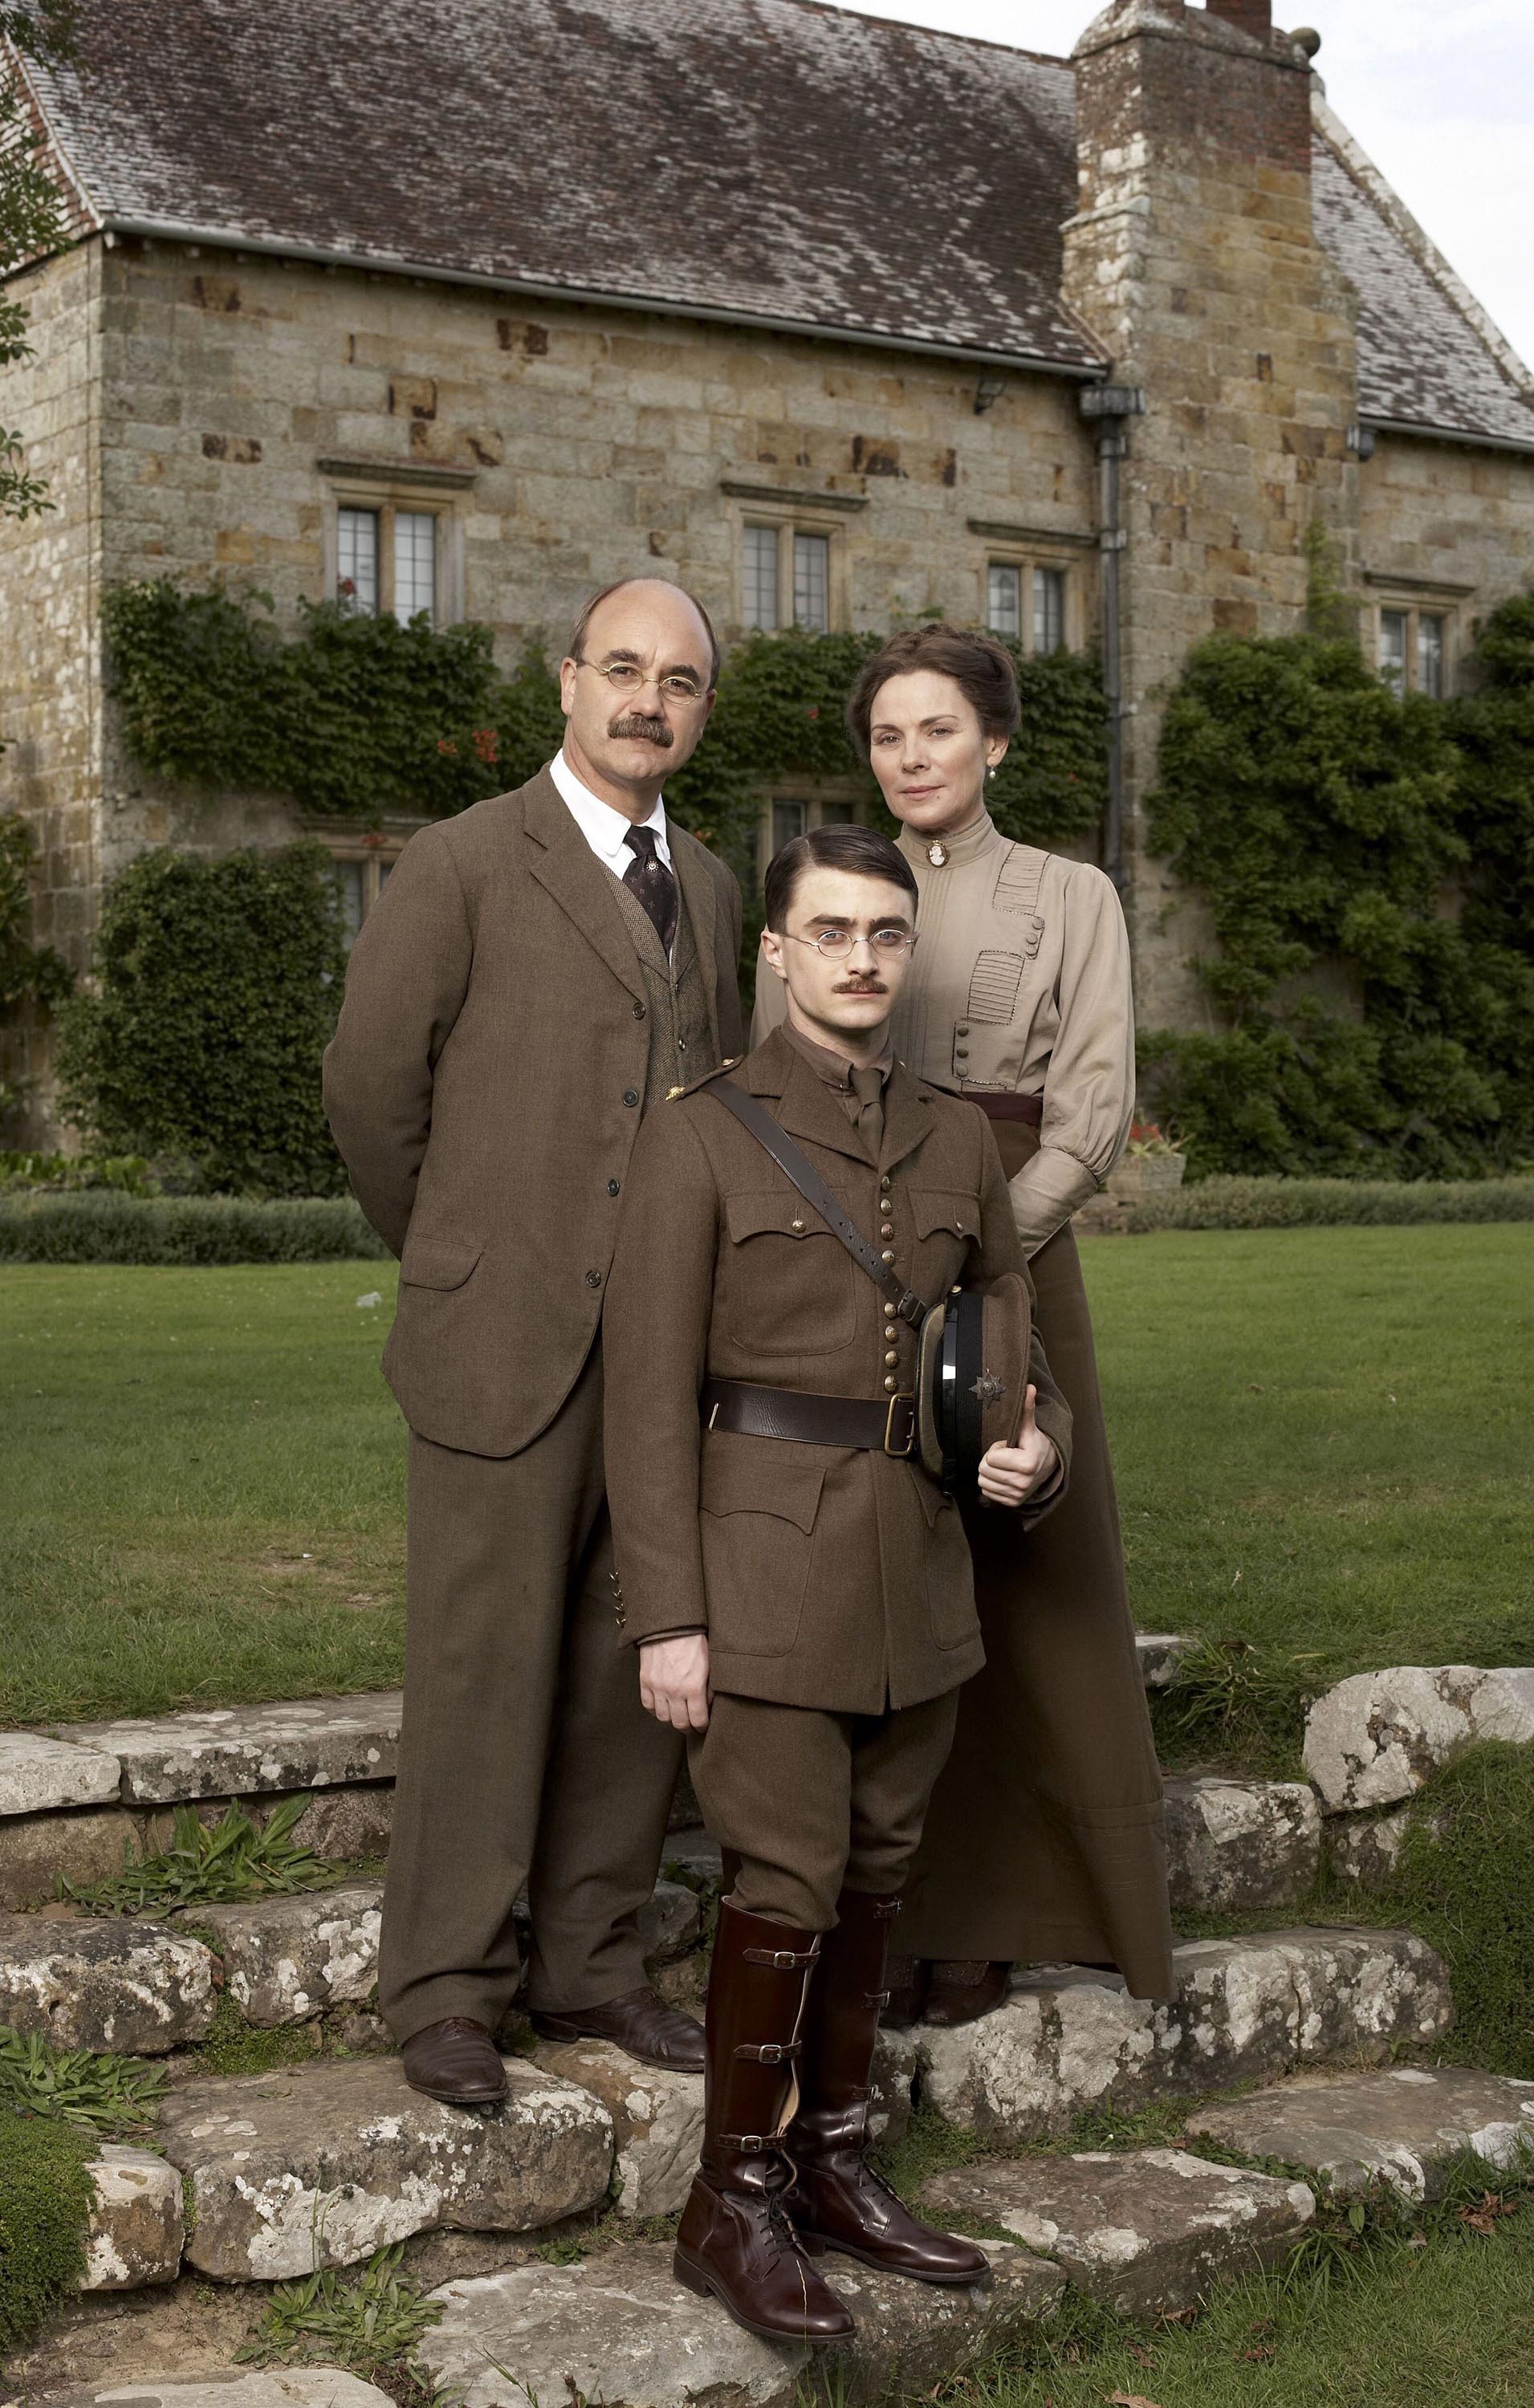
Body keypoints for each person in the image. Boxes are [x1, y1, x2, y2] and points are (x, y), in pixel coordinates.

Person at [602, 823, 1072, 2343]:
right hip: (759, 1571)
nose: (860, 959)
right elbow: (644, 1399)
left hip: (915, 1569)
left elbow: (1009, 1335)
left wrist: (1037, 1445)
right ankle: (728, 2202)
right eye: (831, 932)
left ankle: (834, 2163)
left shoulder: (956, 1137)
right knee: (789, 1874)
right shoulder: (702, 1134)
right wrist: (671, 1617)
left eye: (884, 933)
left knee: (878, 1871)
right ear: (777, 951)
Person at [323, 576, 744, 2106]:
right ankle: (446, 1986)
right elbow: (371, 1092)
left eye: (678, 681)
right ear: (568, 682)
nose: (647, 700)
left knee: (634, 1666)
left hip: (667, 1353)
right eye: (622, 668)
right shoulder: (460, 863)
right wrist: (459, 1254)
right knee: (482, 1665)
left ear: (701, 710)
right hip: (497, 1339)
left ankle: (590, 1966)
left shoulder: (711, 883)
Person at [754, 623, 1174, 2026]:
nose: (912, 756)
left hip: (1010, 1259)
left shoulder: (1073, 895)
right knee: (875, 1575)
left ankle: (1005, 1913)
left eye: (938, 729)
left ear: (994, 741)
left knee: (1028, 1580)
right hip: (844, 1262)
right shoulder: (836, 895)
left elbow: (1094, 1116)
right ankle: (881, 1912)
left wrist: (975, 1256)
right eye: (888, 736)